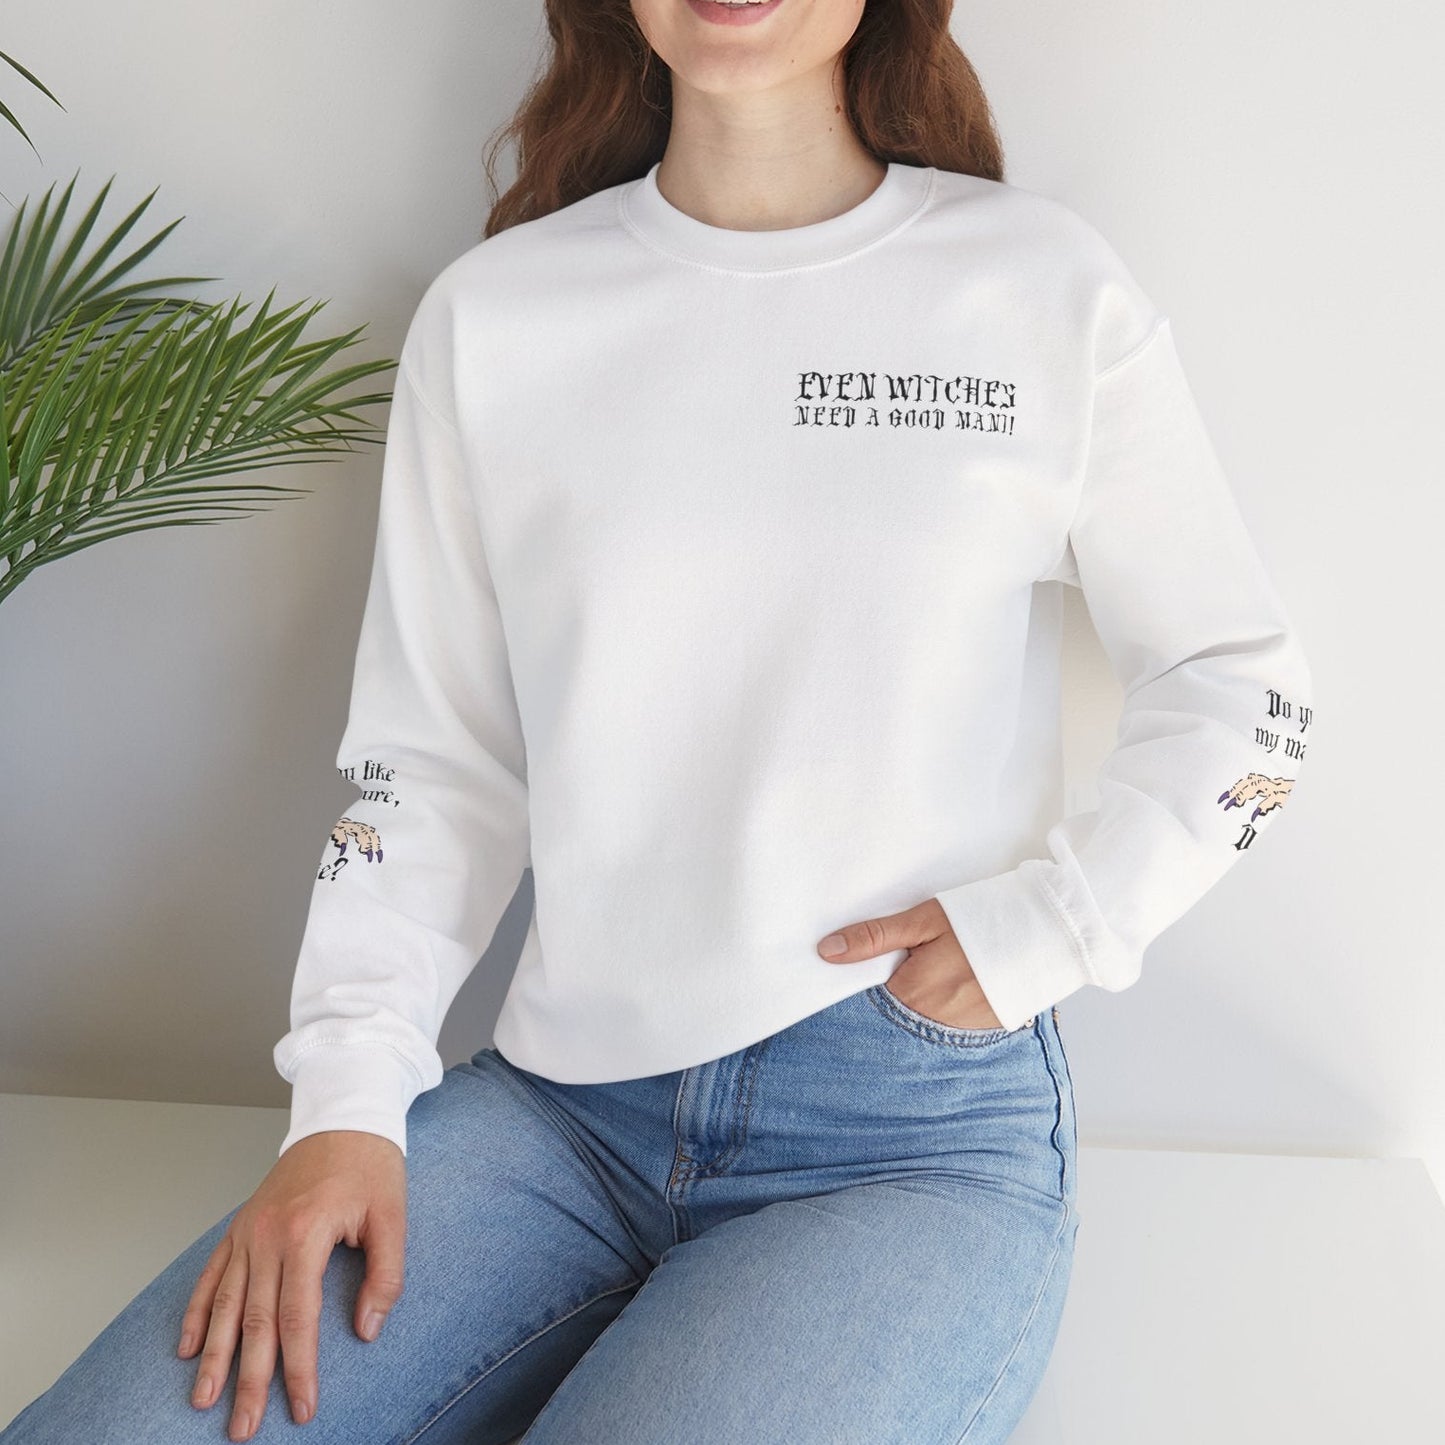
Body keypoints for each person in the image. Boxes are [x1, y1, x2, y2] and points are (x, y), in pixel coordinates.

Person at [1, 1, 1315, 1442]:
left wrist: (1052, 930)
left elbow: (1245, 686)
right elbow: (435, 767)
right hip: (558, 1114)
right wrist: (344, 1099)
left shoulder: (1036, 288)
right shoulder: (498, 316)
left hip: (900, 1139)